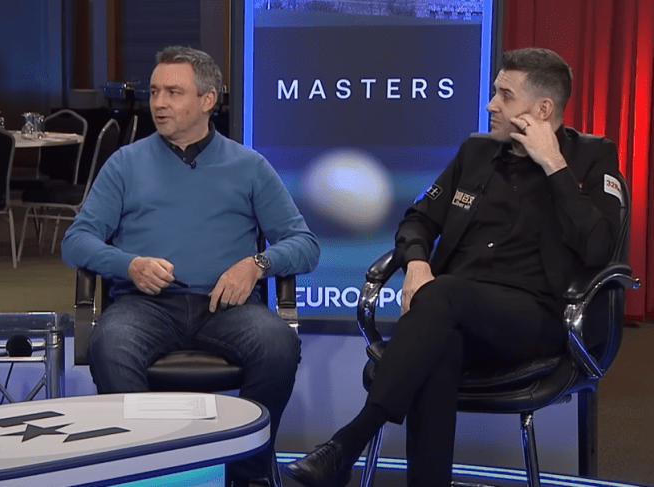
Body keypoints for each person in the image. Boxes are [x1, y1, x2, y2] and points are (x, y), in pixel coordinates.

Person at [281, 47, 623, 487]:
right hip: (452, 315)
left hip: (538, 319)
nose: (490, 104)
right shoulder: (476, 153)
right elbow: (418, 219)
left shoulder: (591, 159)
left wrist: (552, 163)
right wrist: (419, 263)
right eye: (493, 92)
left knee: (443, 297)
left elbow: (601, 249)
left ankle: (350, 441)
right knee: (437, 345)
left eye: (504, 94)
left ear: (542, 109)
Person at [62, 46, 320, 487]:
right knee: (111, 346)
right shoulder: (125, 163)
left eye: (174, 92)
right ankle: (146, 473)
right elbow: (76, 242)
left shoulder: (249, 166)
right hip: (145, 307)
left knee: (278, 345)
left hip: (228, 308)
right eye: (156, 91)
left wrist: (257, 264)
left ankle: (247, 473)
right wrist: (130, 264)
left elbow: (305, 245)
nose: (158, 103)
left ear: (207, 100)